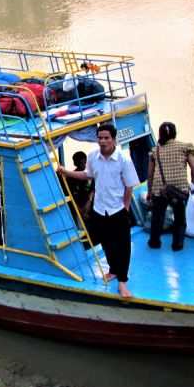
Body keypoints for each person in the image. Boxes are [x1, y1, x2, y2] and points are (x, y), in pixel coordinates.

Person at [57, 123, 139, 298]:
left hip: (117, 209)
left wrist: (125, 208)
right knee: (106, 241)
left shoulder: (123, 160)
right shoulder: (93, 157)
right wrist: (66, 173)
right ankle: (113, 270)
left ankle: (122, 282)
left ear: (113, 139)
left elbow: (129, 186)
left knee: (123, 246)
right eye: (100, 138)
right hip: (100, 209)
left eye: (106, 138)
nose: (103, 142)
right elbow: (87, 175)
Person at [146, 122, 194, 252]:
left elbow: (150, 174)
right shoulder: (185, 147)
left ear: (160, 134)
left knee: (157, 217)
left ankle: (154, 242)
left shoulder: (155, 150)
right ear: (175, 133)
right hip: (179, 190)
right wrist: (193, 183)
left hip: (160, 189)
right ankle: (177, 245)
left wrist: (149, 191)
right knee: (180, 218)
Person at [66, 151, 94, 221]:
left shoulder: (91, 173)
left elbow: (94, 189)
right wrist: (81, 212)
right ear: (75, 164)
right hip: (78, 210)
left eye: (85, 162)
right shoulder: (71, 178)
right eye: (81, 163)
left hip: (92, 207)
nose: (84, 165)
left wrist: (89, 202)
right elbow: (70, 196)